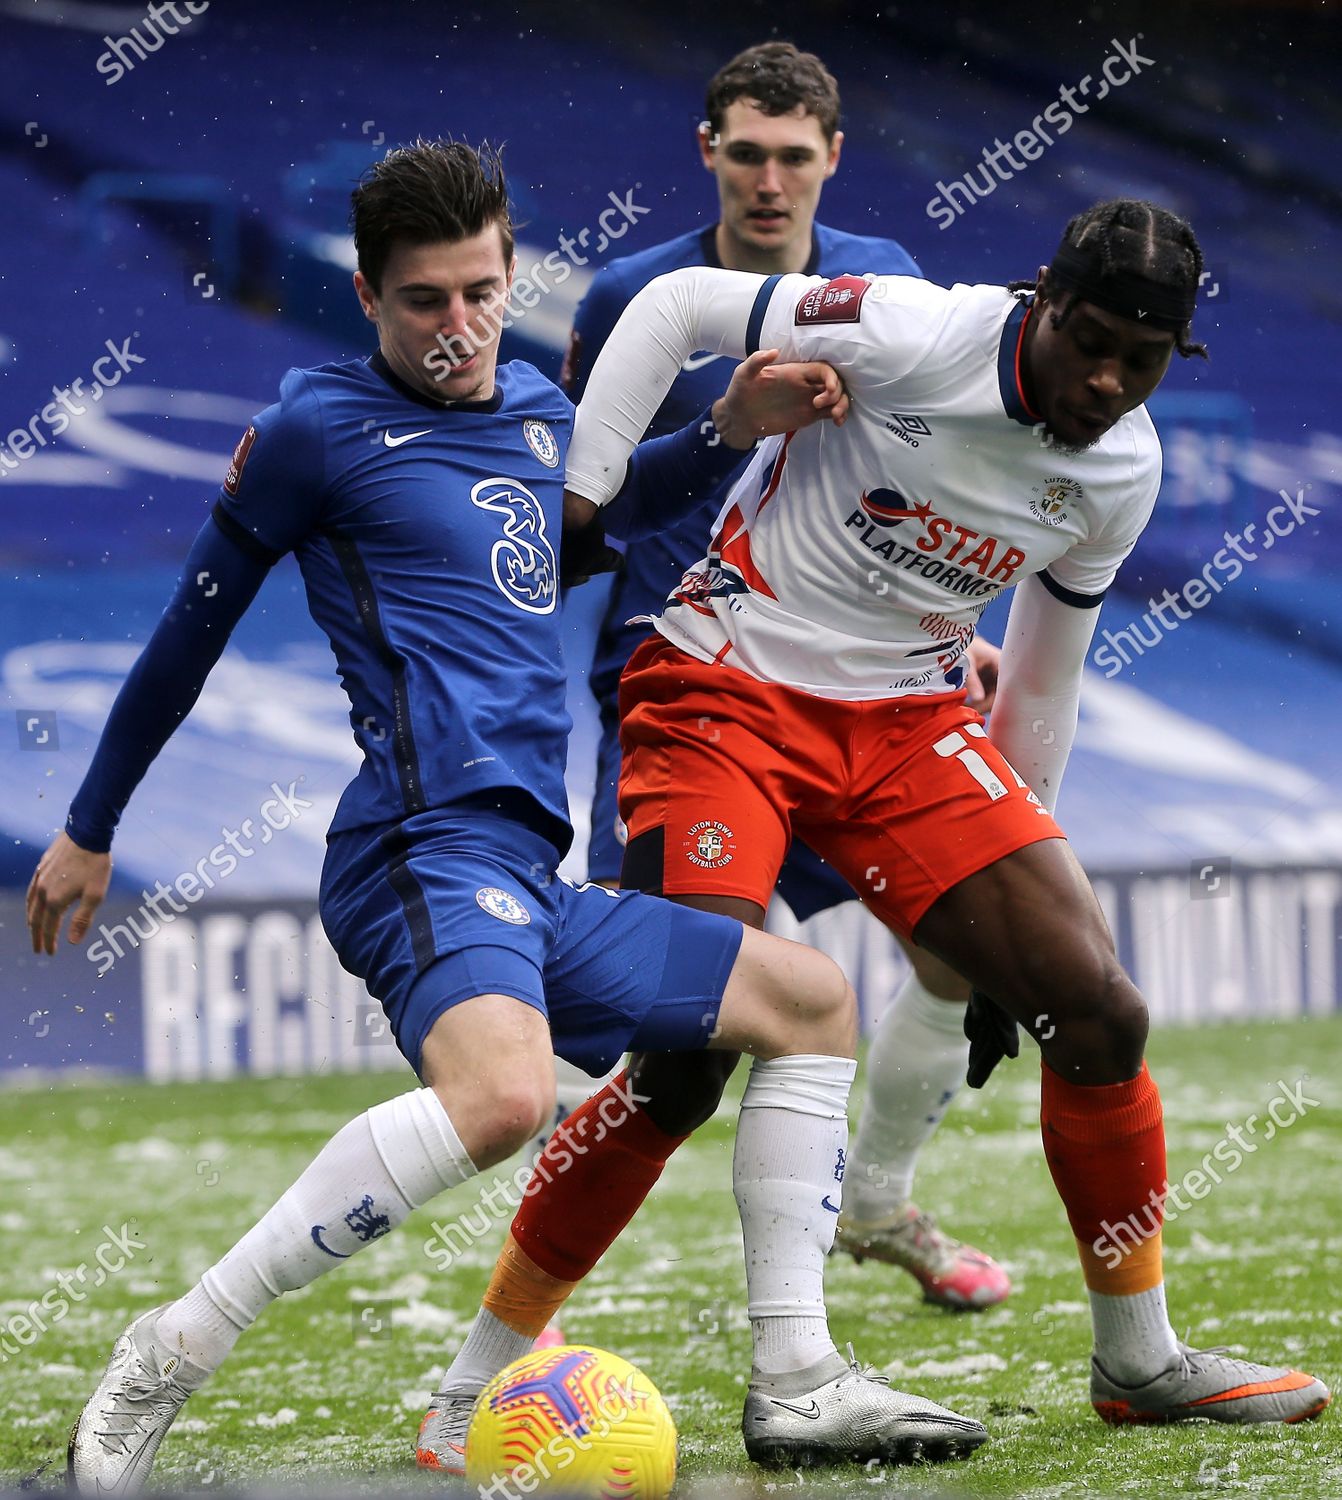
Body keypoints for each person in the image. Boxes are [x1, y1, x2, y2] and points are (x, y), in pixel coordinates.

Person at [34, 140, 990, 1493]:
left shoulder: (539, 401)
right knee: (501, 1099)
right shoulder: (314, 430)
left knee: (808, 1006)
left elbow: (574, 537)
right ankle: (170, 1351)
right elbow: (190, 635)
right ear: (367, 295)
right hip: (417, 846)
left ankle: (787, 1378)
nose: (461, 329)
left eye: (481, 292)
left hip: (522, 869)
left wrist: (723, 431)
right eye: (426, 301)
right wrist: (90, 821)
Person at [434, 196, 1334, 1436]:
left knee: (1098, 1010)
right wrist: (581, 494)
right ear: (1043, 302)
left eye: (1147, 359)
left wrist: (997, 920)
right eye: (1091, 342)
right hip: (725, 690)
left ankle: (1138, 1362)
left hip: (909, 726)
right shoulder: (910, 330)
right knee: (686, 1056)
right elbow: (681, 304)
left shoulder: (1124, 468)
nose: (1110, 379)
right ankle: (475, 1379)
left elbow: (1040, 685)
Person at [568, 38, 1006, 1306]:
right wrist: (723, 430)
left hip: (859, 682)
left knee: (956, 951)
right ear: (707, 152)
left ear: (832, 160)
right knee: (669, 1025)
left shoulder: (891, 284)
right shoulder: (629, 299)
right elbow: (586, 517)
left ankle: (875, 1206)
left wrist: (949, 620)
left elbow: (920, 486)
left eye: (793, 159)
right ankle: (520, 1303)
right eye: (745, 155)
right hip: (688, 681)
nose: (769, 182)